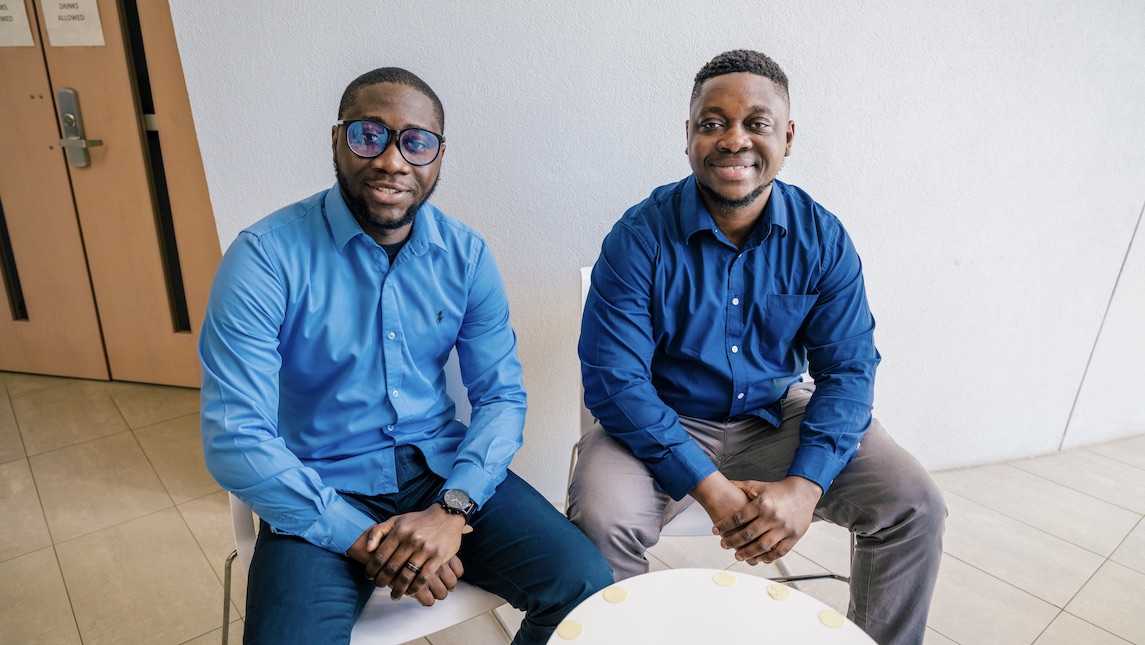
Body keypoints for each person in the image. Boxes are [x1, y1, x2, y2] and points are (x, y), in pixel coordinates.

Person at [200, 67, 612, 645]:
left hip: (439, 474)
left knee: (585, 586)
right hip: (321, 486)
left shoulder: (466, 256)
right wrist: (366, 539)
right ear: (337, 139)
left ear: (438, 156)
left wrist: (453, 509)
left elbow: (501, 396)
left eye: (416, 142)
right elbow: (235, 436)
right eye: (370, 135)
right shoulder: (264, 258)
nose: (394, 160)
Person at [569, 50, 946, 645]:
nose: (733, 140)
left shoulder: (823, 238)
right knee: (601, 515)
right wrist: (710, 489)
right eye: (712, 123)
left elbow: (849, 370)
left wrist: (805, 487)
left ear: (787, 136)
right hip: (659, 422)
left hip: (776, 417)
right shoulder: (638, 237)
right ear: (689, 136)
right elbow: (615, 382)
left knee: (913, 503)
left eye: (756, 123)